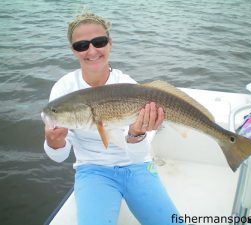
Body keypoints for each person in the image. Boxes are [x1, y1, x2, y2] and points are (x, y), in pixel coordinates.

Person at [43, 9, 180, 225]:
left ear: (110, 43)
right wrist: (55, 142)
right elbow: (59, 156)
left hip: (137, 166)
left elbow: (136, 156)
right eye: (82, 45)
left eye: (99, 41)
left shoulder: (128, 85)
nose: (92, 50)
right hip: (92, 170)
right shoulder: (64, 90)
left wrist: (136, 133)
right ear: (74, 51)